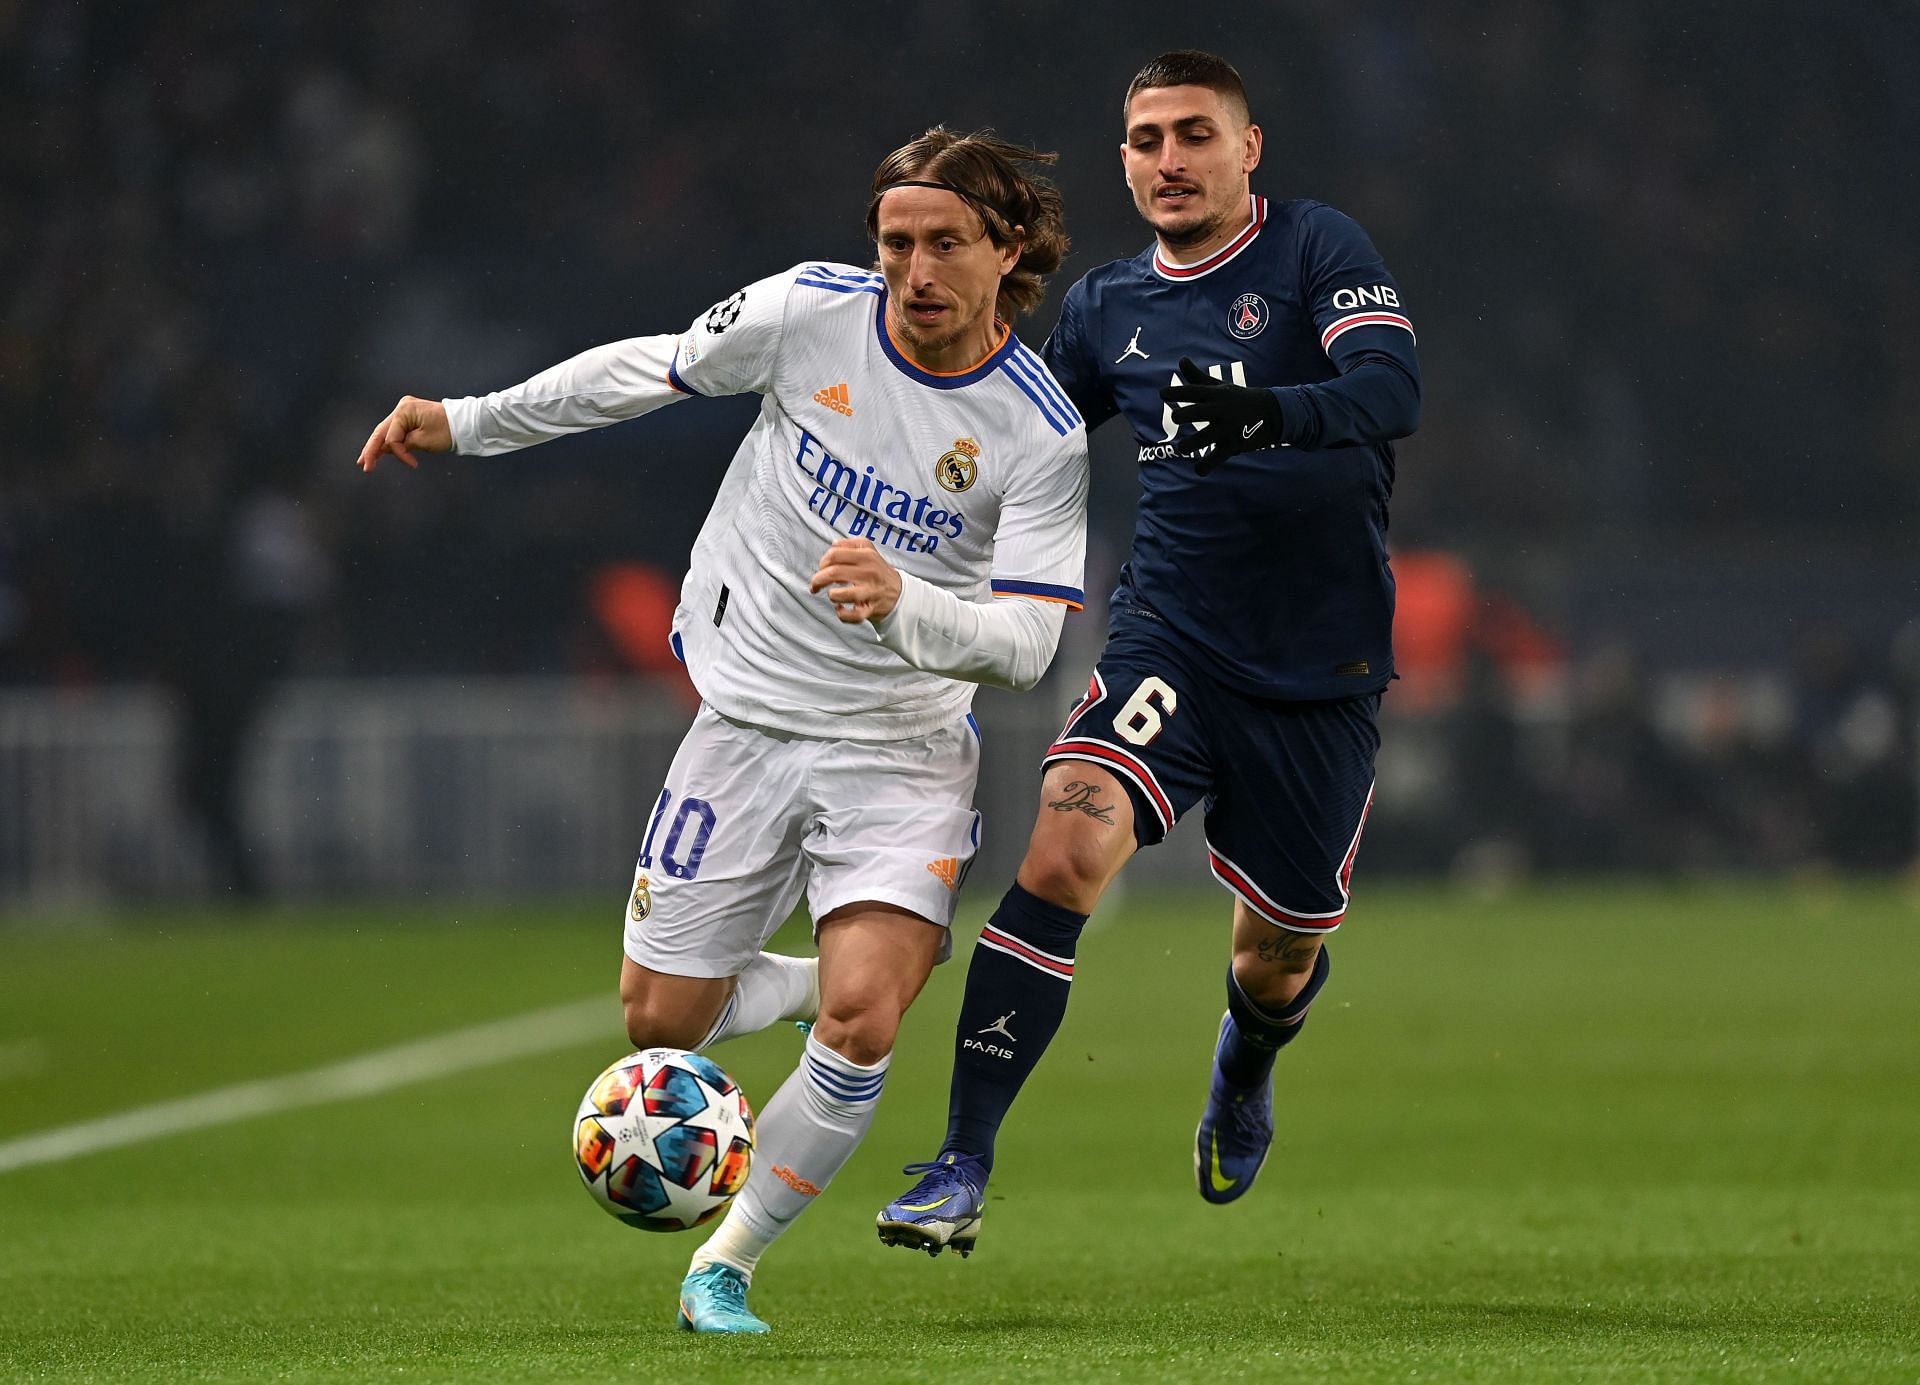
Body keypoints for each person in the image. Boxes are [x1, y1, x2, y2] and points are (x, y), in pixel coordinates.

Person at [357, 128, 1088, 1331]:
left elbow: (1027, 647)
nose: (917, 269)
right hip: (743, 721)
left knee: (861, 1024)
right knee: (661, 1021)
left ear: (1007, 251)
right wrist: (471, 420)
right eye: (898, 242)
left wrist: (909, 604)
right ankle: (841, 974)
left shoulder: (1037, 427)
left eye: (946, 244)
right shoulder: (807, 313)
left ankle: (725, 1265)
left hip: (898, 750)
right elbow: (648, 369)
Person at [877, 50, 1421, 1255]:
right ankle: (959, 1161)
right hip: (1169, 639)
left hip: (1319, 671)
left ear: (1248, 147)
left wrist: (1266, 411)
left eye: (1192, 134)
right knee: (1065, 846)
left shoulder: (1316, 249)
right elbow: (1021, 440)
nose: (1168, 161)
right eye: (1144, 141)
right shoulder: (1110, 306)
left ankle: (1246, 1064)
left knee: (1276, 957)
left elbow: (1391, 390)